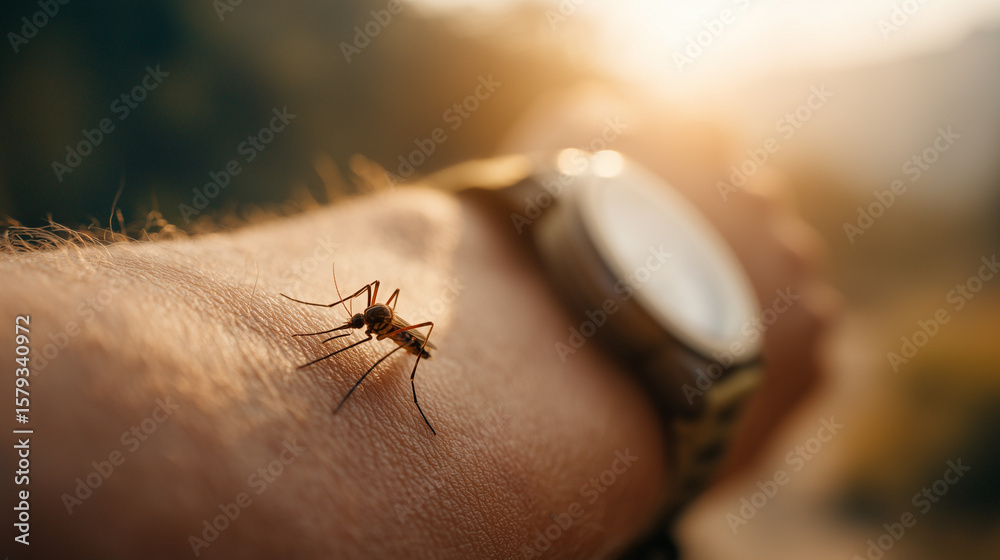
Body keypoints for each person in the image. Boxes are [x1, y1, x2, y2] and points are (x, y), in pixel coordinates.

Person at [1, 100, 834, 559]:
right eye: (372, 319)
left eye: (372, 320)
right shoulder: (377, 309)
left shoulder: (396, 331)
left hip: (432, 345)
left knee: (371, 355)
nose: (374, 321)